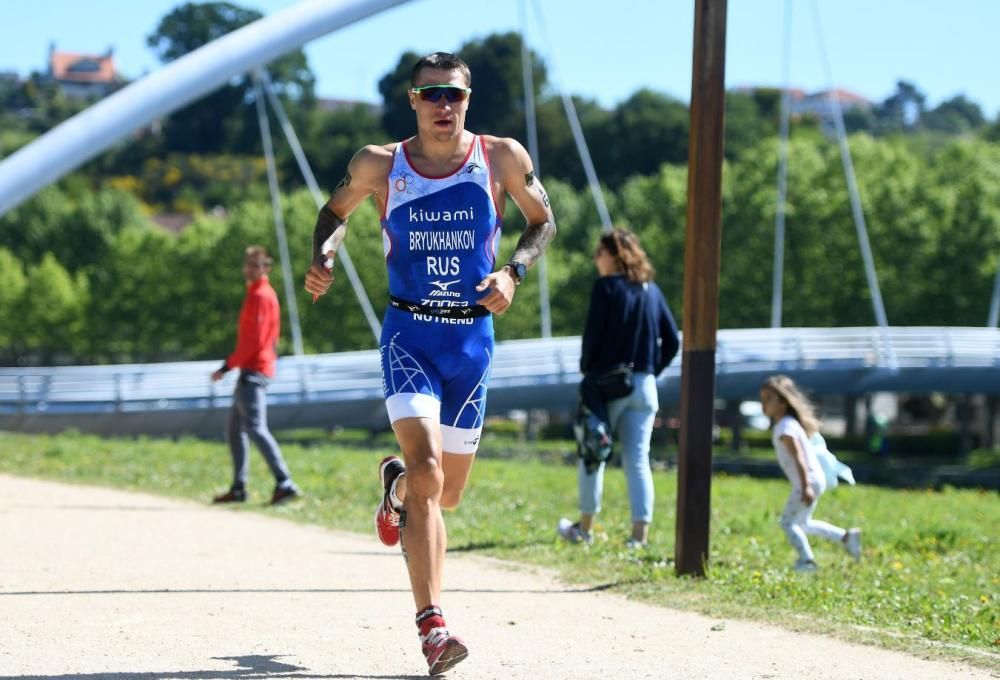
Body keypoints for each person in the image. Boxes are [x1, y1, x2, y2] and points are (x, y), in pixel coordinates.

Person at [303, 52, 555, 676]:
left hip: (471, 343)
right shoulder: (379, 164)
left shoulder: (501, 158)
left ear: (469, 101)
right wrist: (326, 256)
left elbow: (542, 221)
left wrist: (514, 272)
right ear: (411, 99)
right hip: (409, 334)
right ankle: (433, 625)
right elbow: (332, 216)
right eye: (433, 95)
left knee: (447, 494)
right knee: (429, 473)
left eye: (456, 96)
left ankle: (395, 490)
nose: (445, 106)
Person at [557, 228, 679, 549]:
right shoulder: (651, 290)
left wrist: (588, 369)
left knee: (592, 455)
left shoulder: (605, 288)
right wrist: (651, 371)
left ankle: (584, 529)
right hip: (646, 387)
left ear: (614, 255)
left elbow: (592, 337)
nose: (596, 257)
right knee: (638, 461)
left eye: (600, 252)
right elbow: (673, 340)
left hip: (609, 388)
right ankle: (639, 536)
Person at [211, 246, 300, 506]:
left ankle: (284, 481)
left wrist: (227, 366)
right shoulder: (256, 294)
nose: (249, 269)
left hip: (254, 369)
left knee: (256, 429)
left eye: (255, 264)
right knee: (235, 430)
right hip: (251, 368)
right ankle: (238, 487)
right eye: (248, 264)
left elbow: (256, 340)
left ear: (266, 267)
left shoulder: (262, 295)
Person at [759, 374, 862, 571]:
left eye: (768, 399)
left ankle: (807, 561)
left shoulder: (785, 427)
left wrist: (805, 486)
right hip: (814, 479)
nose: (764, 404)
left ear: (783, 401)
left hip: (807, 481)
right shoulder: (790, 423)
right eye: (762, 399)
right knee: (802, 523)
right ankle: (846, 537)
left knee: (787, 523)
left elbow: (799, 458)